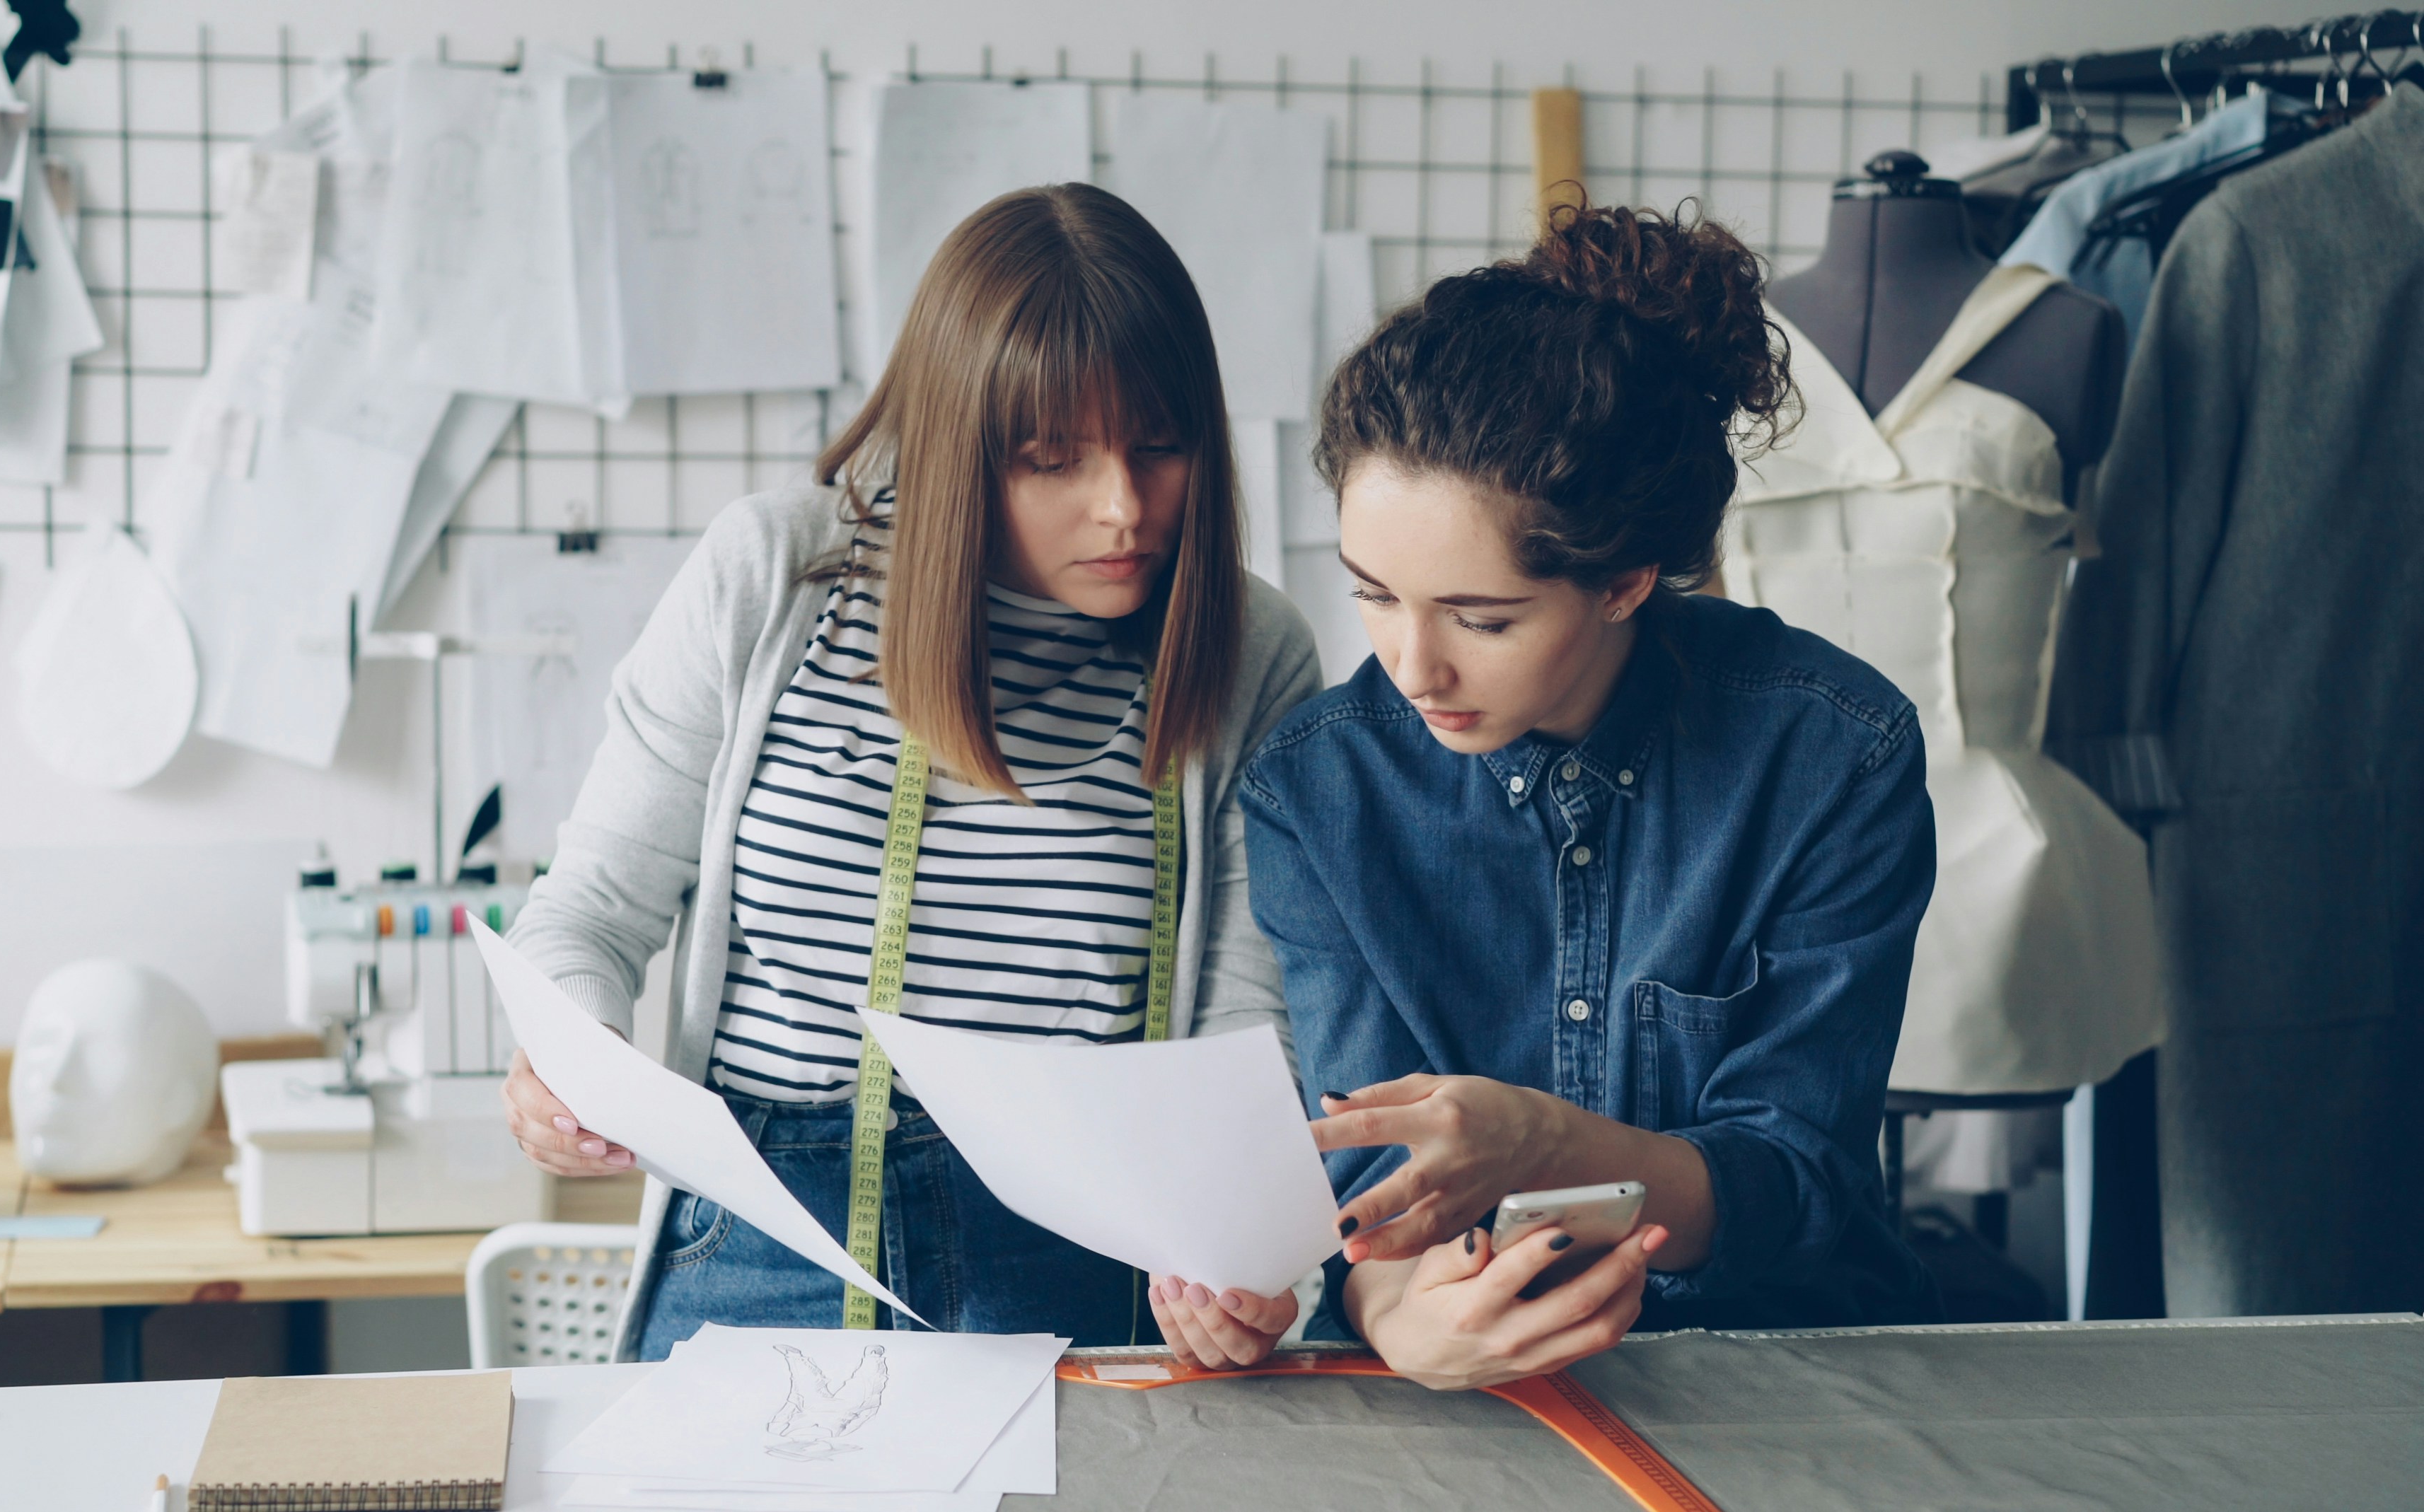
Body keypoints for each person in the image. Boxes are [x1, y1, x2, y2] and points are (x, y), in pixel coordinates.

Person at [499, 183, 1323, 1356]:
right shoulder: (774, 583)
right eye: (1052, 458)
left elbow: (1250, 1025)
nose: (1124, 506)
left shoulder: (1251, 653)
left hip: (1087, 1256)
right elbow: (587, 908)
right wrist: (570, 1058)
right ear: (955, 447)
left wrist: (1233, 1245)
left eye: (1162, 445)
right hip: (768, 1229)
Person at [1147, 203, 1944, 1386]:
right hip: (1445, 1392)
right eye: (1373, 594)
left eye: (1482, 618)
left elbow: (1800, 1179)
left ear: (1623, 581)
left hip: (1788, 1369)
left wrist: (1553, 1145)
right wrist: (1396, 1319)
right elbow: (1371, 1197)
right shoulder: (1318, 787)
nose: (1414, 668)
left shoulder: (1833, 753)